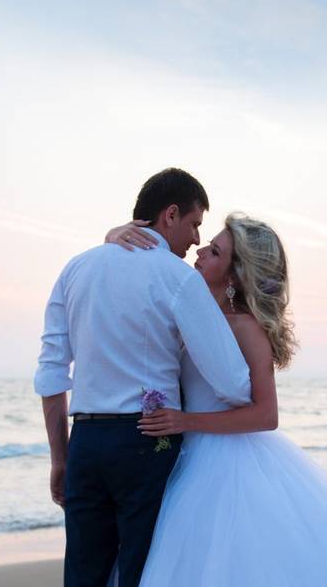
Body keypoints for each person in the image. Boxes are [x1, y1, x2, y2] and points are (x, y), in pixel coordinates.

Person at [105, 213, 327, 586]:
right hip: (186, 455)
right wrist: (114, 235)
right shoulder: (195, 310)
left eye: (216, 251)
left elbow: (266, 414)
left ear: (235, 276)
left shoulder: (246, 326)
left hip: (225, 463)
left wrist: (185, 421)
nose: (202, 250)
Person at [34, 168, 254, 587]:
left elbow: (51, 372)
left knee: (83, 574)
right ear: (170, 214)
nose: (195, 239)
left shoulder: (76, 268)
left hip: (85, 444)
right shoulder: (178, 277)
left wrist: (60, 458)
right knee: (142, 572)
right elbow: (232, 384)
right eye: (194, 224)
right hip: (147, 440)